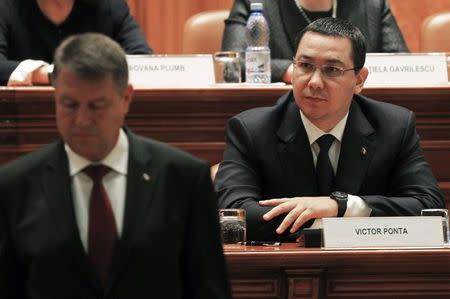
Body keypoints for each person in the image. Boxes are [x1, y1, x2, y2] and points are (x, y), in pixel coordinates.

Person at [0, 33, 231, 299]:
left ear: (125, 99)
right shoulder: (14, 186)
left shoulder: (184, 179)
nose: (82, 120)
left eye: (97, 106)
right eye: (69, 105)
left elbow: (210, 289)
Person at [215, 17, 444, 242]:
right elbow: (233, 217)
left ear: (359, 80)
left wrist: (342, 205)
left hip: (366, 270)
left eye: (332, 69)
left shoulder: (395, 127)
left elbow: (429, 209)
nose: (314, 81)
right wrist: (328, 218)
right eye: (305, 66)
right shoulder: (251, 130)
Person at [222, 0, 409, 83]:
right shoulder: (254, 3)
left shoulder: (373, 4)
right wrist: (292, 71)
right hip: (279, 116)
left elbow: (403, 64)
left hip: (359, 115)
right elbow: (232, 64)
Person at [0, 0, 152, 86]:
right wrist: (50, 75)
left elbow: (143, 63)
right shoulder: (6, 6)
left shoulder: (110, 6)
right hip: (21, 121)